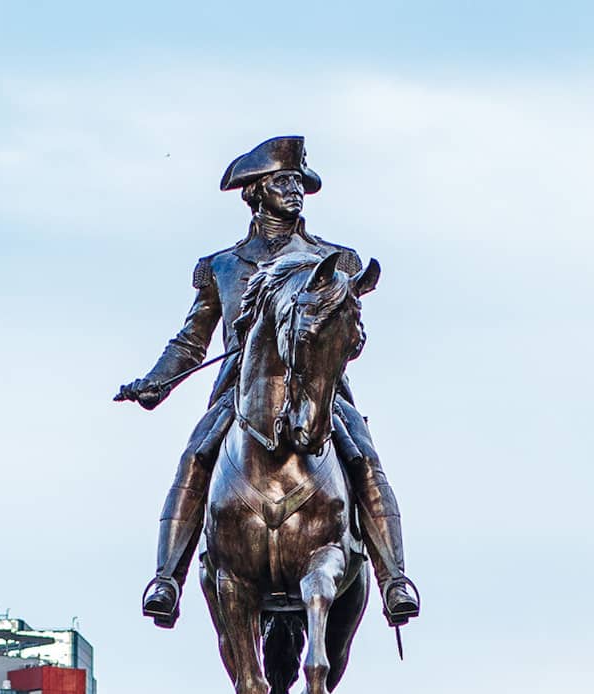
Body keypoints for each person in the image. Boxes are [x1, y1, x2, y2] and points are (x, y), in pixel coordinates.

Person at [116, 135, 420, 630]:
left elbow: (353, 335)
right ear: (255, 193)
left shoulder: (334, 259)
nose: (295, 191)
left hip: (318, 391)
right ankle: (166, 579)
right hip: (242, 393)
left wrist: (343, 336)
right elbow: (193, 341)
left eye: (299, 183)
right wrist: (156, 382)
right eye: (283, 182)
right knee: (196, 455)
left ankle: (394, 579)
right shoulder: (222, 266)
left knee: (364, 457)